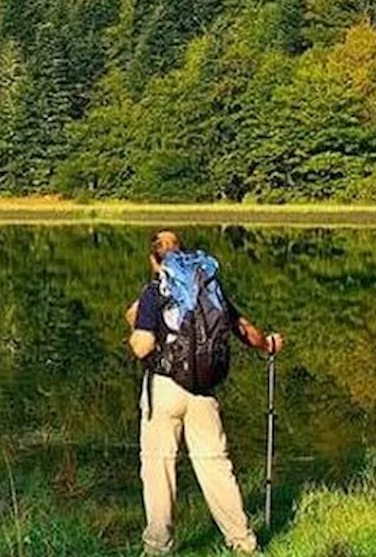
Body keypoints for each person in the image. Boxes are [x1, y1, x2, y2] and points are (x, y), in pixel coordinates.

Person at [124, 230, 283, 555]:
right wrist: (267, 343)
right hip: (204, 392)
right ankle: (243, 543)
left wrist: (133, 324)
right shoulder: (209, 289)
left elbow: (143, 346)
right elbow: (243, 328)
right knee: (215, 466)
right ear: (180, 254)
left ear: (154, 260)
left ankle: (157, 547)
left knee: (159, 467)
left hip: (164, 389)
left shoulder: (155, 292)